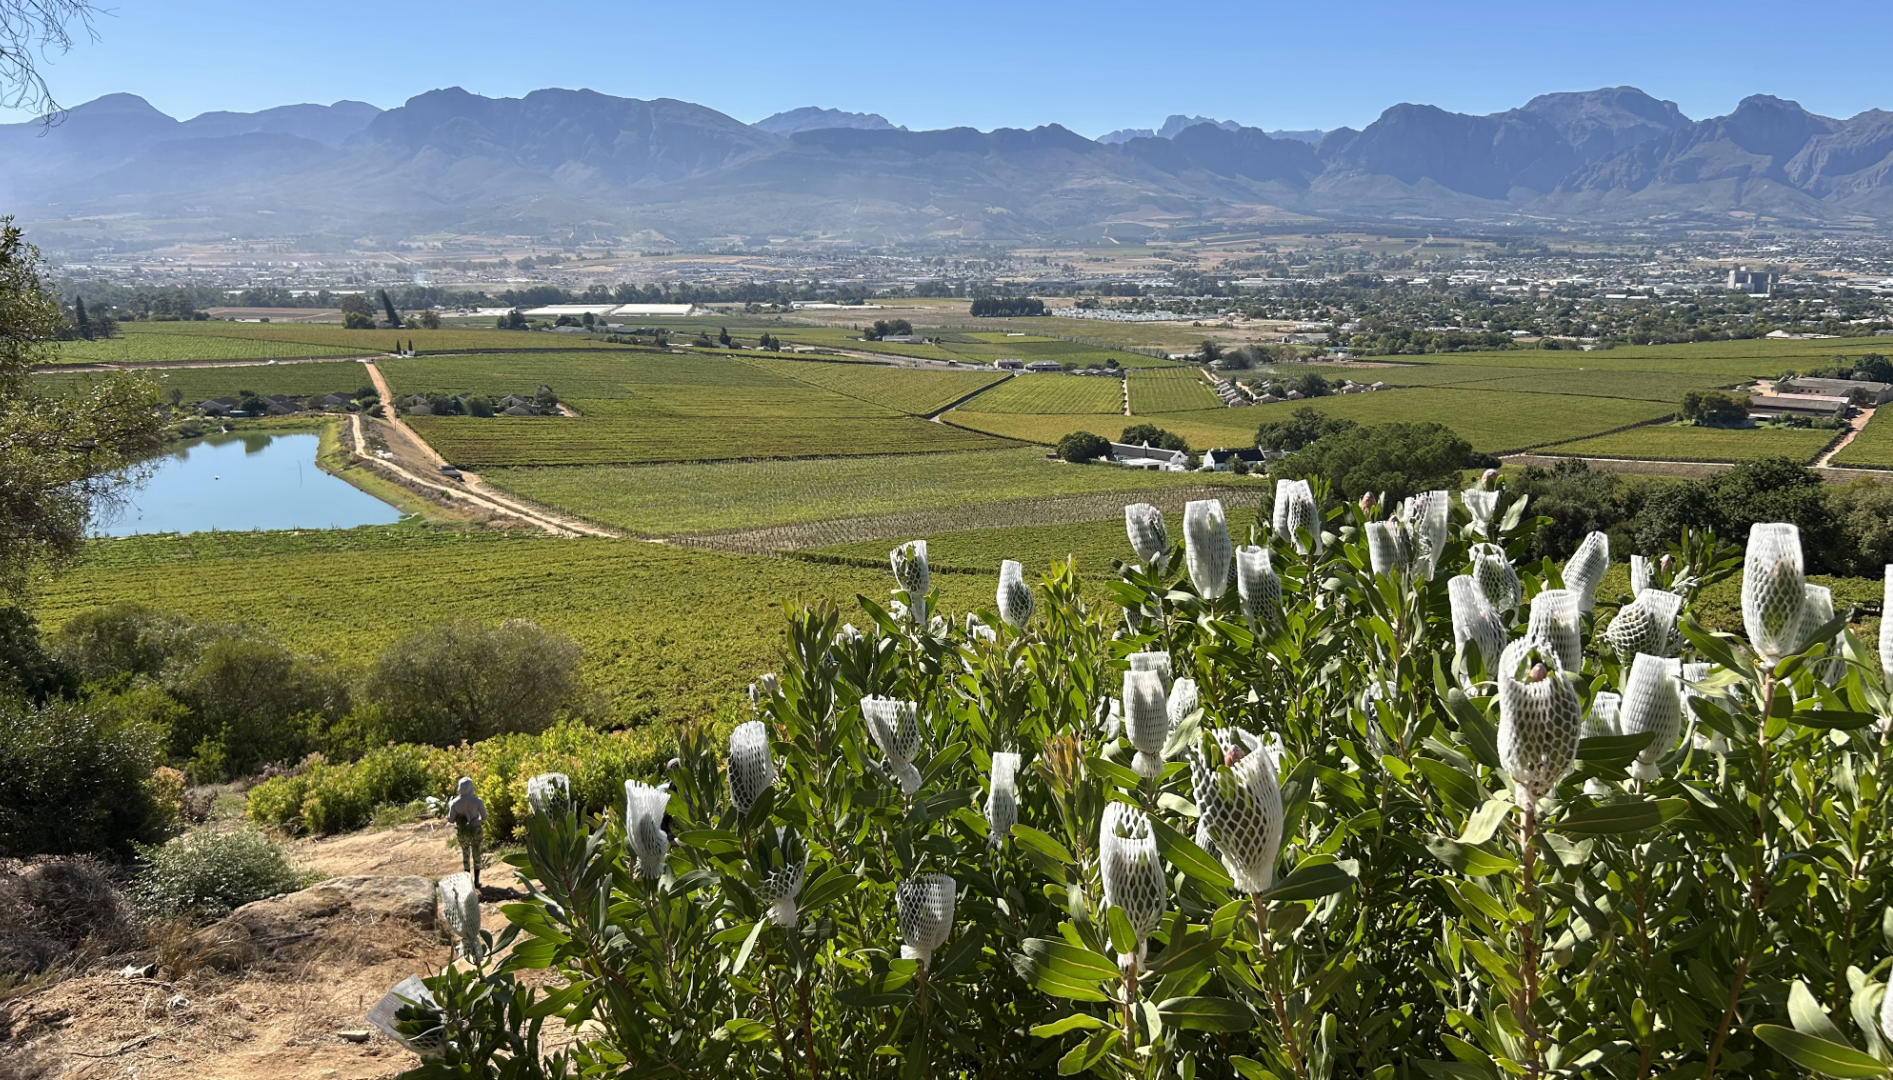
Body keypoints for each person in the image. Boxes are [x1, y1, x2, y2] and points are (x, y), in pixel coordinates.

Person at [447, 777, 486, 887]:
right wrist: (475, 819)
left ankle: (468, 881)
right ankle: (477, 881)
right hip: (476, 830)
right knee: (476, 853)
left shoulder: (453, 803)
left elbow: (451, 819)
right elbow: (484, 817)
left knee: (465, 854)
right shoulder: (477, 801)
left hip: (463, 832)